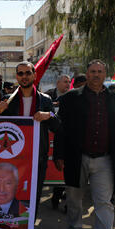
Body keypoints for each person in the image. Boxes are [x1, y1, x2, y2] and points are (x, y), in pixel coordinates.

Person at [53, 59, 115, 229]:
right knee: (74, 197)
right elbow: (61, 128)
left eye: (100, 71)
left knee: (104, 203)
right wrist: (59, 154)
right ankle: (74, 228)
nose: (96, 75)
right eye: (92, 71)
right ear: (87, 73)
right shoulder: (70, 98)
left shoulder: (114, 99)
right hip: (77, 157)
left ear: (105, 75)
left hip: (104, 159)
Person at [0, 60, 60, 229]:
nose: (24, 76)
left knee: (31, 201)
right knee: (8, 195)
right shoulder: (8, 99)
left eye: (27, 73)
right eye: (20, 73)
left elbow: (58, 126)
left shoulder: (45, 100)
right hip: (10, 158)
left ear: (34, 75)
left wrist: (48, 115)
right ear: (16, 77)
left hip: (36, 160)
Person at [45, 74, 71, 209]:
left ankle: (65, 200)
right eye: (65, 82)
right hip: (49, 138)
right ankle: (55, 197)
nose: (67, 84)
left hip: (65, 137)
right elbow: (47, 112)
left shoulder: (72, 96)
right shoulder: (48, 96)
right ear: (58, 83)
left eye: (69, 82)